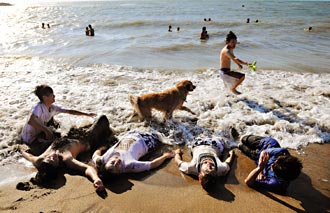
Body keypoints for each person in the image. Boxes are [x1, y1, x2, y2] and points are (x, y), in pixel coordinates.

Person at [18, 115, 116, 193]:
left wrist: (20, 150)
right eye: (54, 160)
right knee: (102, 119)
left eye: (49, 158)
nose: (52, 156)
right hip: (88, 139)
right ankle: (110, 136)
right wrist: (96, 179)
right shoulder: (67, 159)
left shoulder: (40, 160)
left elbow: (29, 156)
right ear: (57, 165)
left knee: (49, 120)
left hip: (68, 134)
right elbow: (87, 168)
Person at [21, 85, 96, 145]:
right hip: (29, 138)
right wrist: (46, 130)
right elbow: (30, 121)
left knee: (55, 127)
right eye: (52, 95)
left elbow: (70, 111)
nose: (54, 96)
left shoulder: (53, 108)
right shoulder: (38, 107)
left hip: (39, 134)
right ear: (45, 97)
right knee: (58, 143)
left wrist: (87, 114)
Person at [92, 131, 174, 175]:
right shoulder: (130, 165)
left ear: (108, 161)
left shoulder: (102, 159)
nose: (117, 162)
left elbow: (95, 156)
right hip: (147, 142)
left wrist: (101, 149)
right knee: (165, 131)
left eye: (113, 162)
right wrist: (165, 156)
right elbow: (152, 164)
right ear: (120, 171)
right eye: (117, 166)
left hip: (131, 134)